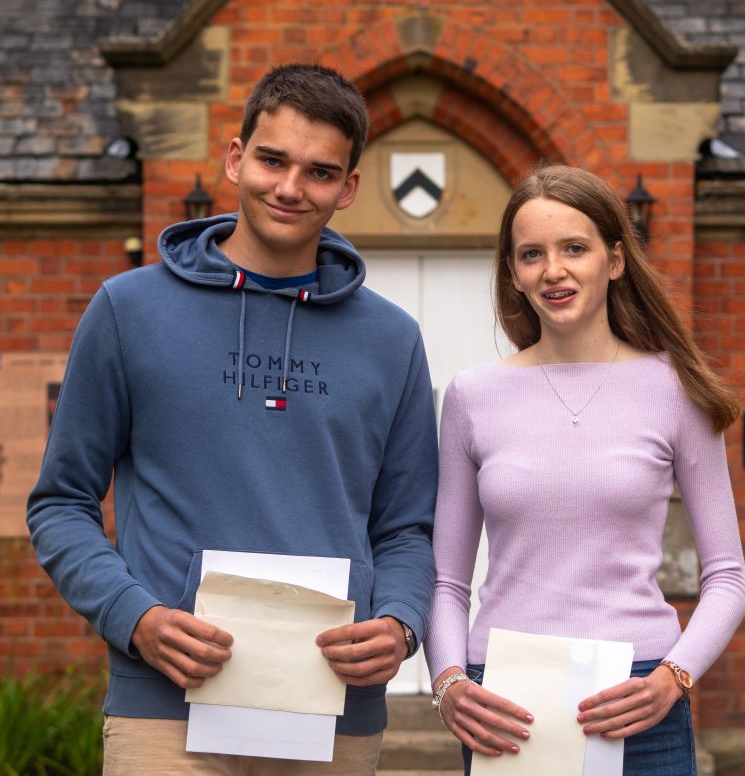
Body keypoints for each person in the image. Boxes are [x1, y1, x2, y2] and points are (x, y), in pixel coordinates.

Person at [27, 64, 439, 776]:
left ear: (347, 189)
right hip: (167, 708)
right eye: (273, 159)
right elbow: (61, 503)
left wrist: (401, 623)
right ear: (235, 156)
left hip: (332, 713)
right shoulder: (129, 312)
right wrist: (136, 618)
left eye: (318, 172)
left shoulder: (391, 340)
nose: (289, 187)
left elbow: (406, 527)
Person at [424, 165, 745, 774]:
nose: (554, 270)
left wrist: (674, 678)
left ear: (616, 260)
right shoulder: (472, 396)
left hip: (641, 699)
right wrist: (448, 684)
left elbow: (729, 576)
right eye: (532, 254)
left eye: (575, 247)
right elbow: (447, 583)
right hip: (505, 701)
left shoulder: (674, 390)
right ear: (514, 274)